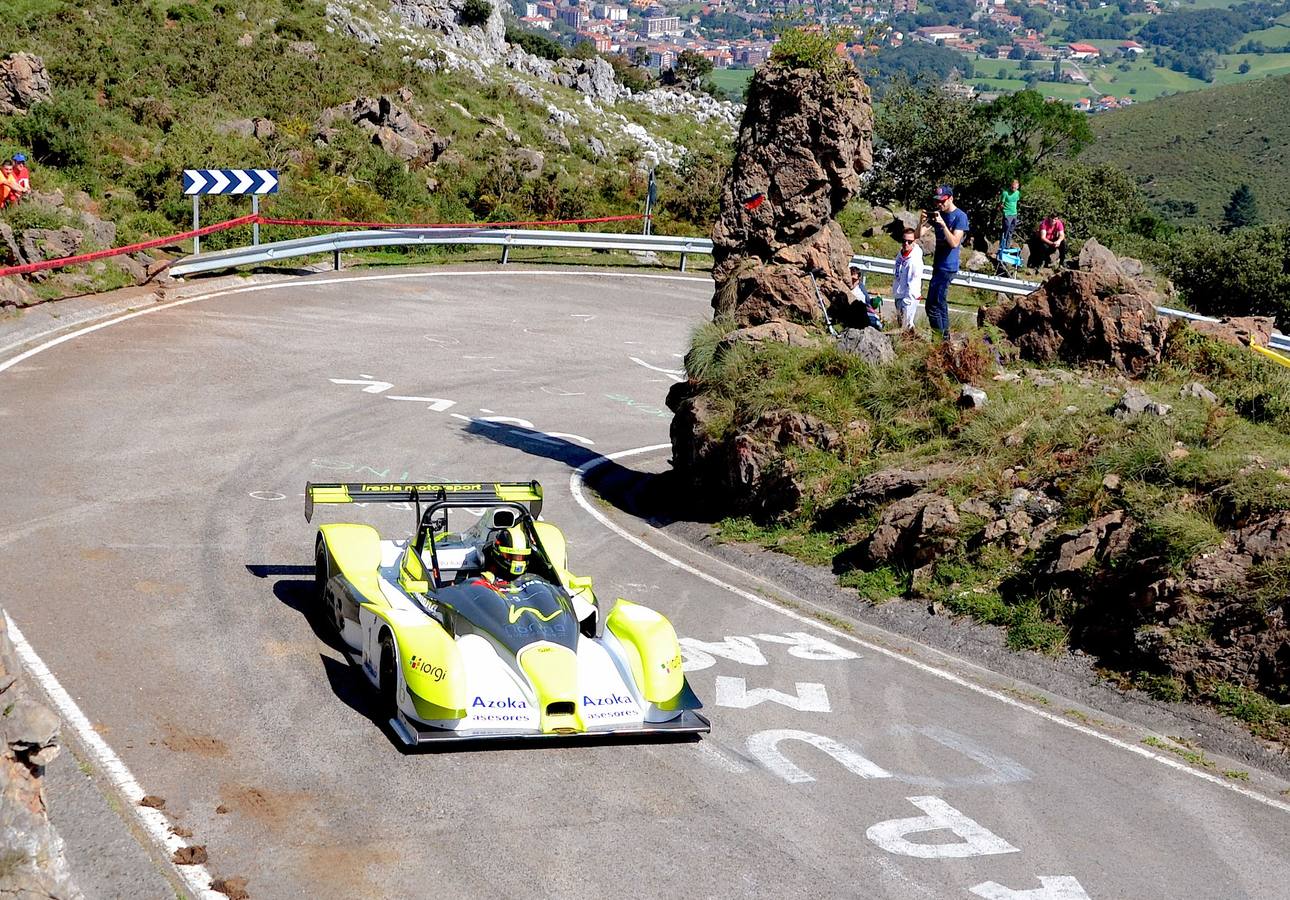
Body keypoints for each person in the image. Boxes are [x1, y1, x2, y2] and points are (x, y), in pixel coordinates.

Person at [916, 185, 969, 338]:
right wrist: (921, 221)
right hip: (938, 265)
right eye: (937, 202)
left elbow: (954, 243)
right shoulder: (937, 214)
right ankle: (944, 338)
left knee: (932, 305)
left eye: (942, 201)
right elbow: (918, 234)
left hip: (948, 267)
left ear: (950, 198)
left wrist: (943, 225)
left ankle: (939, 339)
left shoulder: (960, 217)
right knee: (940, 304)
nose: (939, 205)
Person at [891, 227, 924, 331]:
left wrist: (907, 301)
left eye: (909, 241)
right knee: (901, 325)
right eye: (904, 241)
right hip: (899, 294)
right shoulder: (900, 254)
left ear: (914, 242)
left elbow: (913, 283)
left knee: (906, 327)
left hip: (909, 298)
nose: (906, 243)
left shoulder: (914, 260)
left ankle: (910, 345)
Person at [848, 265, 883, 330]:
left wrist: (875, 302)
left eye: (854, 280)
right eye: (850, 279)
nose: (852, 281)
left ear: (858, 279)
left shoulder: (860, 288)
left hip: (864, 314)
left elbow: (867, 303)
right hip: (854, 315)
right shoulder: (847, 288)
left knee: (878, 324)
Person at [999, 178, 1020, 250]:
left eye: (1015, 188)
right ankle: (1002, 246)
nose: (1013, 189)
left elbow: (1016, 201)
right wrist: (1004, 211)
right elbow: (1001, 203)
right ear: (1011, 186)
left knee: (1011, 231)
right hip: (1007, 214)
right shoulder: (1005, 193)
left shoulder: (1017, 193)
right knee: (1006, 230)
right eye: (1012, 187)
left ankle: (1007, 247)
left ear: (1017, 187)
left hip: (1014, 213)